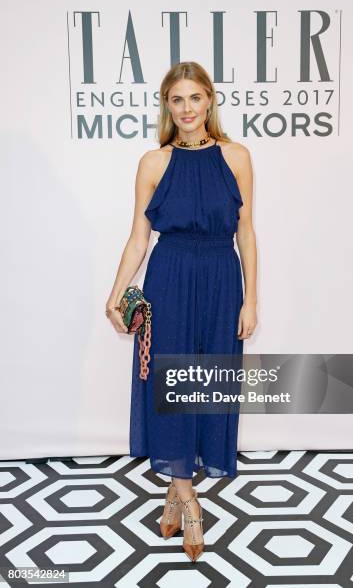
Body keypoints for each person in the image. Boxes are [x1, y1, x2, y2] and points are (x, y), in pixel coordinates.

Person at [106, 61, 257, 562]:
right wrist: (116, 292)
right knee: (170, 387)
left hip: (220, 277)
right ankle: (190, 504)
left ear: (210, 100)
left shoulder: (236, 156)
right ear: (167, 107)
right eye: (177, 100)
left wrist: (251, 298)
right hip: (168, 278)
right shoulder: (153, 162)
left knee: (207, 385)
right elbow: (137, 239)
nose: (187, 109)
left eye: (195, 98)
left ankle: (174, 495)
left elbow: (247, 232)